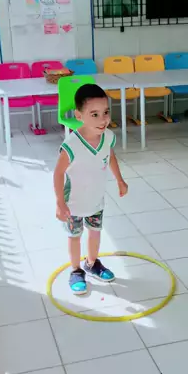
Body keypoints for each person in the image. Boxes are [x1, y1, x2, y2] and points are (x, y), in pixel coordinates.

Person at [53, 83, 129, 295]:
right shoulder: (72, 145)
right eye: (94, 114)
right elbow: (58, 173)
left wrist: (120, 180)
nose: (103, 119)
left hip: (96, 200)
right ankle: (76, 270)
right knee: (75, 236)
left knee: (95, 233)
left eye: (106, 112)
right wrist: (60, 203)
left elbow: (110, 155)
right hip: (74, 204)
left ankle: (92, 263)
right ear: (79, 115)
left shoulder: (108, 137)